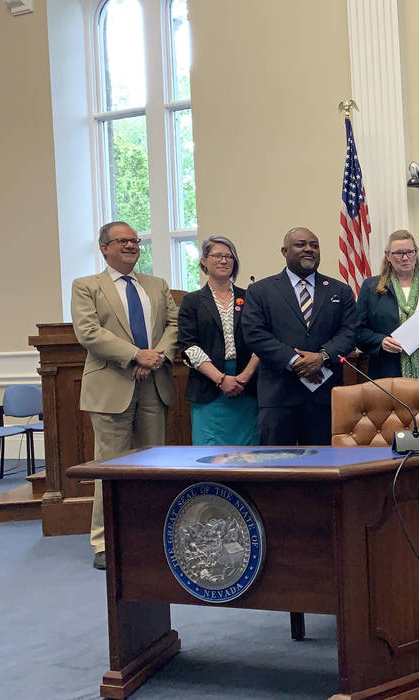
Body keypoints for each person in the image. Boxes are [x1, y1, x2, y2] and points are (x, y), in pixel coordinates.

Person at [71, 221, 178, 570]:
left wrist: (155, 356)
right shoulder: (87, 286)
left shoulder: (156, 285)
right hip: (111, 387)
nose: (132, 246)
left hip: (154, 383)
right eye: (123, 241)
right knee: (111, 467)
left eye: (135, 241)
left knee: (154, 467)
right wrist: (135, 354)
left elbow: (174, 326)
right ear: (104, 247)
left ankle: (154, 535)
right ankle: (104, 541)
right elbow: (88, 332)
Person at [241, 227, 357, 446]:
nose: (309, 250)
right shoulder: (260, 290)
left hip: (324, 395)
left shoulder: (339, 290)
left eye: (314, 245)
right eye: (301, 244)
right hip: (278, 395)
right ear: (284, 251)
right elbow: (254, 333)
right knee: (275, 467)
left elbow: (350, 331)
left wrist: (321, 357)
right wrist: (294, 361)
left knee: (324, 468)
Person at [177, 235, 260, 446]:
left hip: (246, 386)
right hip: (209, 387)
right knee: (210, 454)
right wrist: (221, 380)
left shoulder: (250, 297)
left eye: (229, 256)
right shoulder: (192, 301)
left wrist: (244, 377)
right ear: (204, 260)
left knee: (249, 453)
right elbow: (188, 345)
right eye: (217, 255)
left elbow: (261, 338)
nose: (224, 261)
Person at [356, 230, 419, 381]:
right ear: (388, 256)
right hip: (387, 375)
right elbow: (358, 331)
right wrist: (380, 342)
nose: (405, 258)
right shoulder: (371, 288)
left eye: (410, 252)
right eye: (398, 253)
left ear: (416, 253)